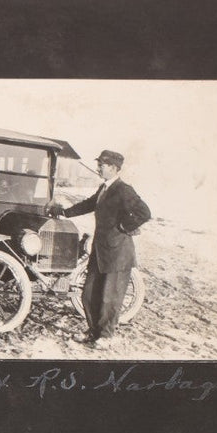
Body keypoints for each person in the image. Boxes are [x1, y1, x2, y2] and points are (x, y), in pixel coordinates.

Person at [49, 149, 151, 347]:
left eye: (101, 165)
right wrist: (64, 212)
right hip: (100, 250)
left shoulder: (123, 190)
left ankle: (106, 336)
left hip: (118, 252)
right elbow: (89, 205)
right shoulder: (104, 188)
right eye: (99, 164)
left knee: (109, 297)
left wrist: (124, 227)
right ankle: (93, 331)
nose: (98, 168)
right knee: (89, 293)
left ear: (113, 168)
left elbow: (144, 212)